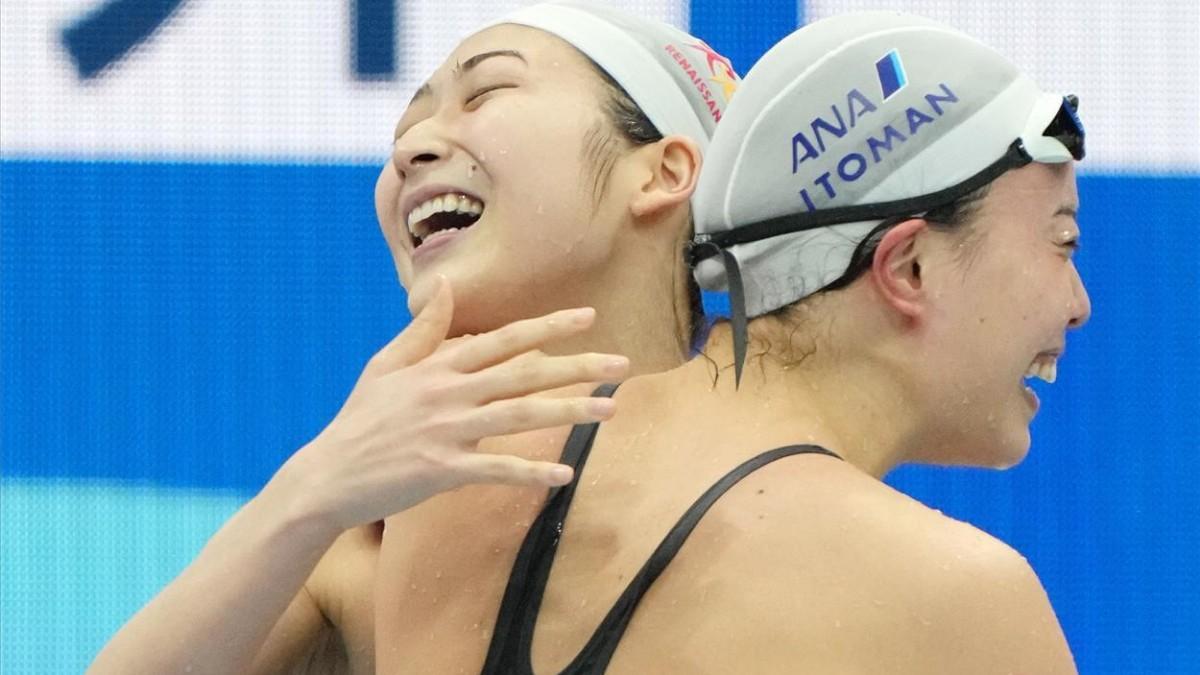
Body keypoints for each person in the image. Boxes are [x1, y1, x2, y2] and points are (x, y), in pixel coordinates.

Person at [372, 12, 1087, 673]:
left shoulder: (473, 478)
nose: (1078, 304)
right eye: (1062, 241)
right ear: (909, 267)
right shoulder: (960, 598)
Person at [88, 3, 738, 672]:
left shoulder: (787, 475)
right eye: (408, 127)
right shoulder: (366, 540)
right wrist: (311, 491)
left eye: (485, 93)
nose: (409, 148)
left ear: (663, 171)